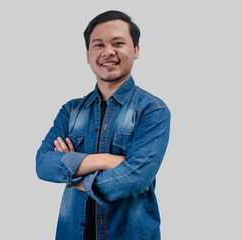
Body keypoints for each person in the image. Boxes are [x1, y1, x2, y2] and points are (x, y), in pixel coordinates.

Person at [36, 10, 171, 240]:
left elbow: (135, 178)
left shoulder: (153, 110)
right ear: (88, 54)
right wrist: (106, 161)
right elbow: (43, 164)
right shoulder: (71, 111)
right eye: (98, 45)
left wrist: (73, 175)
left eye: (118, 43)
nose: (108, 51)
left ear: (136, 50)